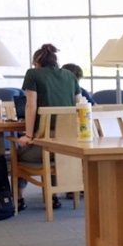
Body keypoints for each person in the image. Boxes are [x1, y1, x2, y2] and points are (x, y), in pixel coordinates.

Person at [14, 43, 82, 210]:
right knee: (51, 154)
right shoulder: (69, 76)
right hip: (68, 145)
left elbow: (31, 106)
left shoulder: (33, 74)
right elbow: (79, 105)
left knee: (17, 153)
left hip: (45, 143)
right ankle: (52, 197)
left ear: (37, 63)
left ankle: (19, 199)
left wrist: (28, 136)